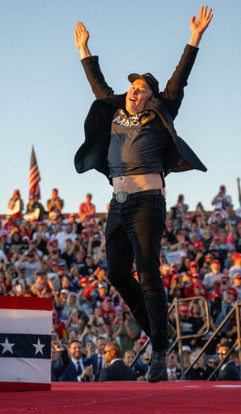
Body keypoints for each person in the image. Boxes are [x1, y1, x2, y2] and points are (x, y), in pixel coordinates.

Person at [73, 6, 213, 383]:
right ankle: (158, 333)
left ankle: (160, 352)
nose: (135, 92)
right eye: (133, 87)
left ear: (151, 97)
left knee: (148, 273)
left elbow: (179, 79)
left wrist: (194, 38)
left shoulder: (160, 111)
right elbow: (98, 86)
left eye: (142, 89)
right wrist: (84, 50)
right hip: (117, 205)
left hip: (147, 203)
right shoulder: (116, 108)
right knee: (117, 272)